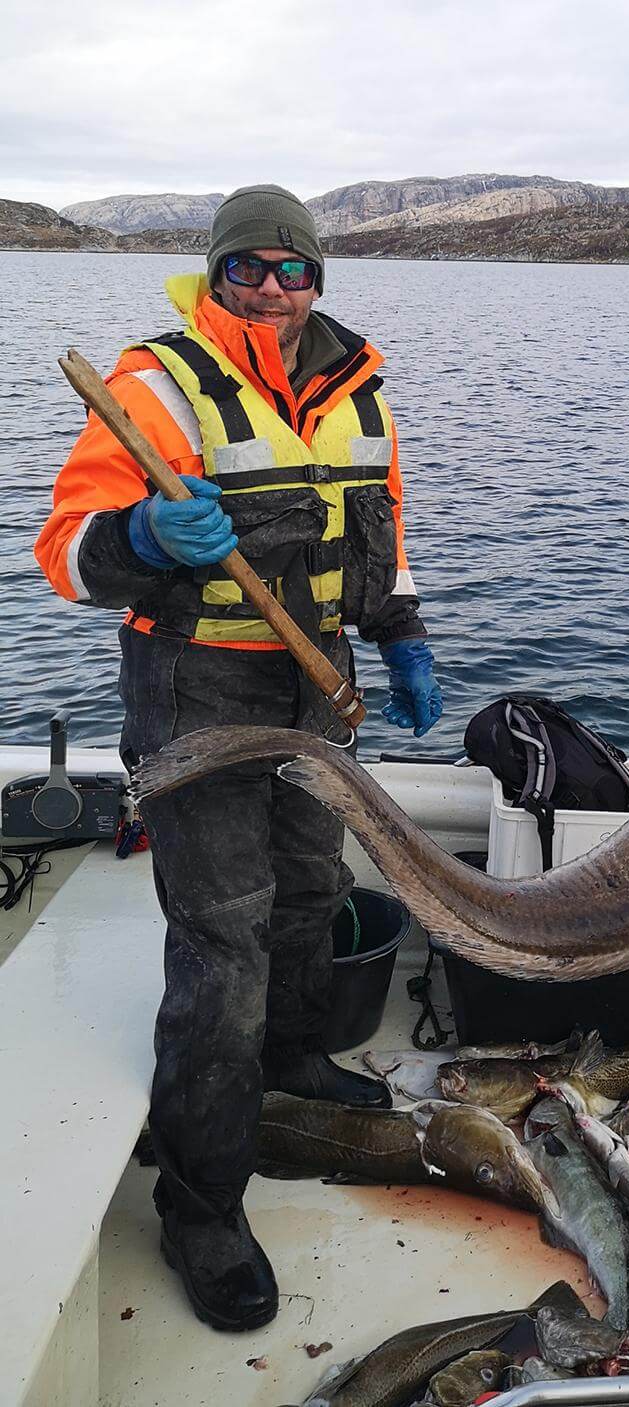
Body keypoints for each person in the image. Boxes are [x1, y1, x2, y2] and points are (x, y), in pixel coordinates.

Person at [35, 184, 445, 1330]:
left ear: (320, 276)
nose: (270, 287)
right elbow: (62, 552)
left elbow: (386, 527)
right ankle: (200, 1202)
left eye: (292, 268)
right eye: (246, 268)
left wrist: (404, 636)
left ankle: (294, 1070)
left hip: (316, 683)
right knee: (224, 937)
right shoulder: (153, 386)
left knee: (312, 888)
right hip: (198, 685)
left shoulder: (361, 389)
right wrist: (141, 535)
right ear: (215, 275)